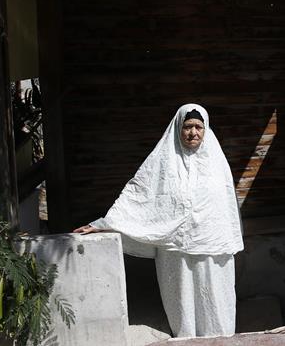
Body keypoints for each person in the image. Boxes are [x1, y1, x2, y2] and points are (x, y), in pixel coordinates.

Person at [74, 104, 244, 337]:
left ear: (206, 129)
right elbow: (139, 194)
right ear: (178, 129)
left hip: (212, 247)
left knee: (215, 297)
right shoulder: (161, 161)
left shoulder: (217, 164)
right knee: (182, 299)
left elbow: (227, 207)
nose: (193, 132)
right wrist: (104, 224)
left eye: (198, 127)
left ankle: (221, 339)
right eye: (187, 127)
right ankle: (186, 339)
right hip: (175, 249)